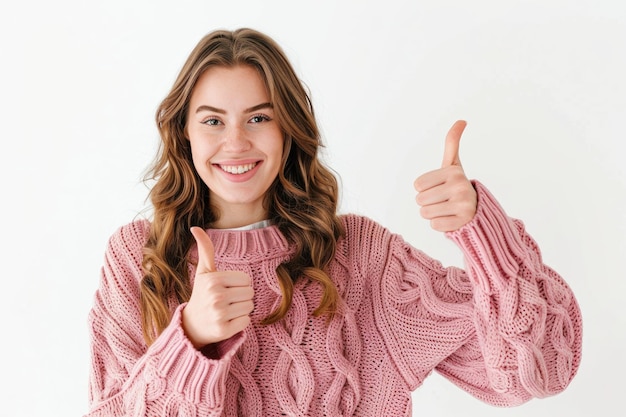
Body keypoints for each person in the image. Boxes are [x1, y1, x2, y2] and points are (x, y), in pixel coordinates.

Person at [84, 28, 582, 417]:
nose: (235, 142)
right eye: (213, 120)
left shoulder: (359, 257)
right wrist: (189, 339)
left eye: (259, 117)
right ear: (184, 133)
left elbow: (536, 371)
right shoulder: (138, 260)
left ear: (289, 130)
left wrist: (483, 234)